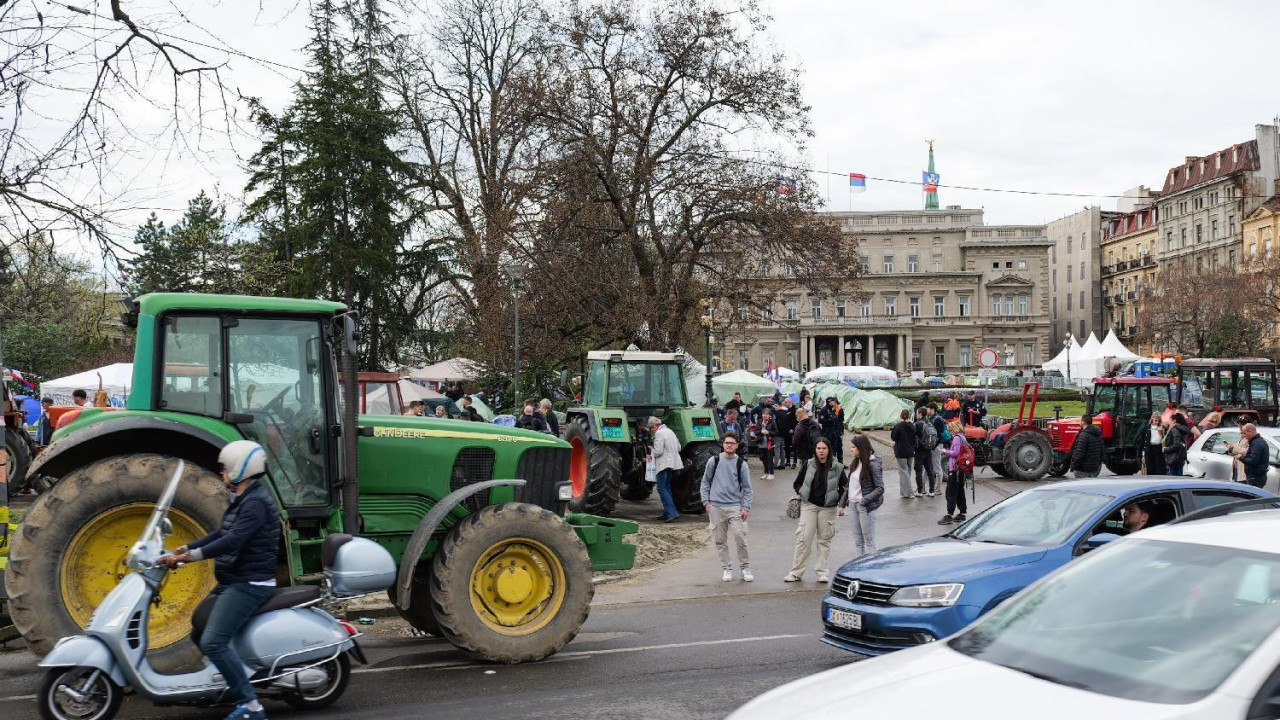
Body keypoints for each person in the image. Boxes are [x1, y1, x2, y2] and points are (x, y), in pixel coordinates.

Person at [159, 441, 280, 720]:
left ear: (241, 469)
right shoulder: (245, 498)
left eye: (225, 469)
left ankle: (252, 706)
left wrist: (190, 557)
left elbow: (233, 540)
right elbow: (219, 533)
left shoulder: (257, 504)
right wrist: (184, 548)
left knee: (213, 642)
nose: (222, 474)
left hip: (250, 583)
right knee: (199, 632)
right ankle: (233, 679)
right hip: (232, 579)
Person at [784, 438, 846, 583]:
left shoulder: (837, 467)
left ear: (829, 449)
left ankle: (822, 573)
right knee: (803, 539)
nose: (821, 451)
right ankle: (796, 572)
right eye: (818, 448)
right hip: (809, 506)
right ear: (815, 450)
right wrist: (802, 492)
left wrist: (838, 500)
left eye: (824, 448)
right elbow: (797, 483)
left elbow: (844, 486)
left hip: (828, 508)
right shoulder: (809, 464)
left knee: (824, 541)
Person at [700, 432, 753, 582]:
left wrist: (746, 507)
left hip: (735, 507)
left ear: (737, 445)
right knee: (719, 540)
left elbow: (748, 488)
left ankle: (745, 568)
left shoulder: (741, 464)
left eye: (732, 443)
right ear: (723, 444)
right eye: (727, 443)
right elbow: (705, 482)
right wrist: (706, 502)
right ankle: (727, 569)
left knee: (740, 538)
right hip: (716, 507)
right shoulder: (714, 461)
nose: (729, 445)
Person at [839, 434, 884, 558]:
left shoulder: (872, 464)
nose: (851, 449)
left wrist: (864, 500)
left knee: (870, 542)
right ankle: (858, 570)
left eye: (853, 447)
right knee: (858, 542)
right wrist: (842, 504)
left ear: (861, 448)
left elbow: (880, 488)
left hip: (866, 507)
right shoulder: (856, 462)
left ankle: (873, 571)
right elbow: (849, 486)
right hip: (853, 506)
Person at [648, 416, 683, 522]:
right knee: (667, 487)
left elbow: (658, 451)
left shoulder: (659, 433)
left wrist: (651, 450)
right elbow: (679, 447)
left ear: (654, 426)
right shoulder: (670, 431)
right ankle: (668, 512)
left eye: (651, 429)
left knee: (661, 488)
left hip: (663, 464)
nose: (652, 431)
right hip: (672, 463)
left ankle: (672, 512)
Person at [939, 420, 970, 524]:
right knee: (960, 492)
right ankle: (962, 513)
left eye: (950, 429)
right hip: (962, 470)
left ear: (954, 429)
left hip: (955, 469)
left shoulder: (957, 438)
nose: (950, 431)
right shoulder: (963, 437)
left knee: (950, 492)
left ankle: (949, 514)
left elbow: (955, 453)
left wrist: (945, 451)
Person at [890, 409, 916, 499]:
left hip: (901, 451)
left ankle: (909, 492)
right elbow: (914, 438)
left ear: (901, 416)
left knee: (904, 472)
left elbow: (893, 437)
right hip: (910, 451)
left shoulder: (898, 426)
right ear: (908, 416)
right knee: (908, 471)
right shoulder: (912, 426)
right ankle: (904, 492)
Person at [913, 407, 939, 496]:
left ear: (920, 414)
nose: (916, 414)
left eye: (917, 413)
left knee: (919, 471)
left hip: (919, 451)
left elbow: (913, 437)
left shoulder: (917, 424)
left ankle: (920, 491)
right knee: (930, 471)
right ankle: (931, 491)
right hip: (928, 450)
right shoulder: (929, 423)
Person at [1069, 414, 1103, 478]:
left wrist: (1073, 467)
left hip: (1083, 470)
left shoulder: (1083, 436)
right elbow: (1102, 452)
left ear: (1083, 422)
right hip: (1094, 470)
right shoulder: (1098, 434)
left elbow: (1078, 454)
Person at [1240, 423, 1270, 488]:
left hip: (1255, 477)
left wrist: (1240, 457)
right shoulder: (1256, 442)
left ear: (1251, 432)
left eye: (1244, 433)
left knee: (1253, 497)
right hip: (1257, 476)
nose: (1244, 436)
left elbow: (1252, 461)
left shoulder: (1257, 444)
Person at [817, 397, 845, 463]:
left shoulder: (832, 410)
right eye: (832, 401)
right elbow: (820, 420)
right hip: (828, 433)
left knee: (838, 447)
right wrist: (830, 420)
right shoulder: (824, 410)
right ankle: (830, 463)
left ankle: (840, 463)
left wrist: (840, 431)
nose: (834, 402)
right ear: (829, 402)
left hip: (835, 432)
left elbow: (837, 420)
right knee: (830, 448)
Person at [928, 403, 947, 485]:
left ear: (932, 409)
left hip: (937, 445)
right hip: (934, 444)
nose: (926, 410)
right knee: (933, 465)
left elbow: (939, 434)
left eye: (927, 408)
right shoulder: (932, 418)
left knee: (937, 466)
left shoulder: (937, 419)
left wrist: (933, 446)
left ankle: (938, 487)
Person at [776, 397, 797, 469]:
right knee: (787, 447)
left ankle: (794, 462)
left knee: (794, 447)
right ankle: (787, 462)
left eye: (785, 402)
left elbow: (797, 421)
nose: (784, 403)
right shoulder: (786, 410)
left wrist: (793, 429)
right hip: (786, 432)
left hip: (793, 432)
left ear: (790, 402)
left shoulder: (795, 410)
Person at [757, 410, 778, 480]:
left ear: (769, 415)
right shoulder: (759, 421)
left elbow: (776, 432)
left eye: (766, 414)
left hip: (770, 443)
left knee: (769, 458)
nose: (764, 415)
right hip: (761, 443)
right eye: (763, 414)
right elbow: (756, 432)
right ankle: (766, 473)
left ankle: (771, 474)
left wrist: (768, 432)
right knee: (763, 458)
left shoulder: (772, 422)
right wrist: (761, 431)